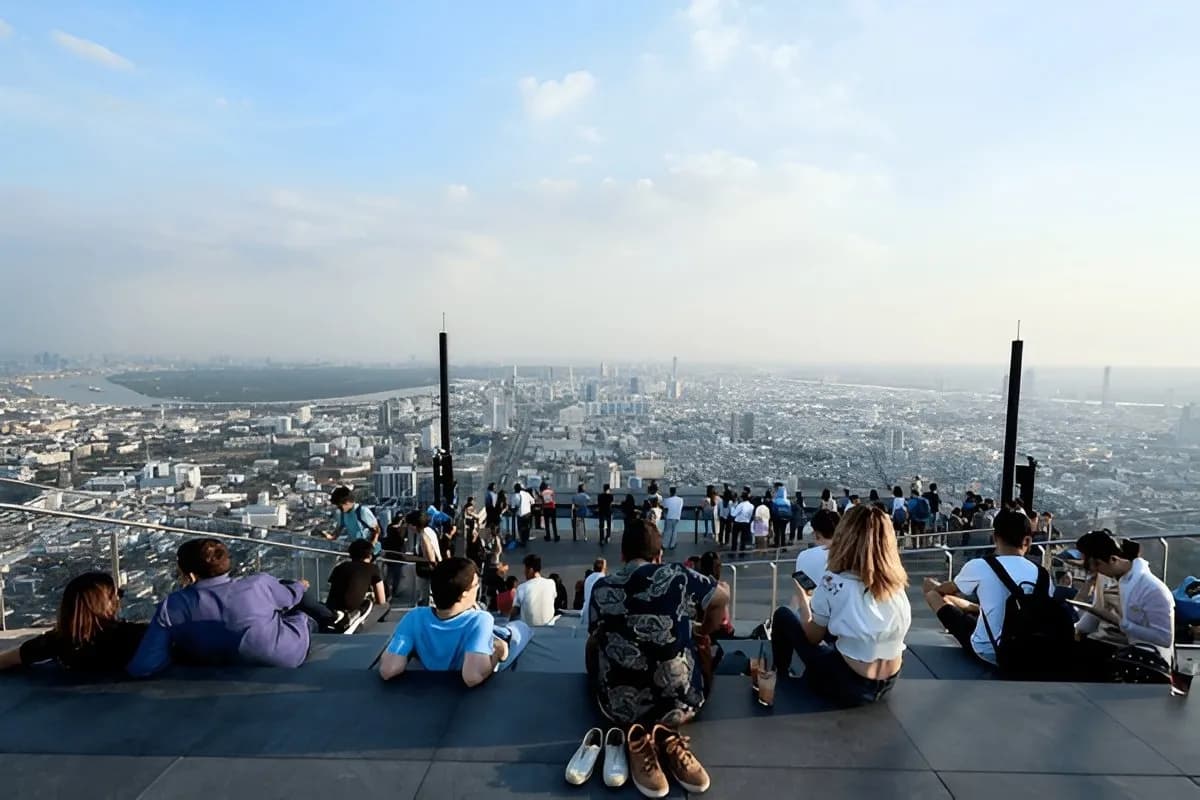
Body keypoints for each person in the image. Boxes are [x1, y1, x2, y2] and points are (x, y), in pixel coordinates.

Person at [586, 521, 729, 796]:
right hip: (682, 704)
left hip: (618, 708)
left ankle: (636, 738)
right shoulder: (679, 575)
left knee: (594, 643)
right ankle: (667, 738)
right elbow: (723, 597)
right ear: (659, 556)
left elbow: (595, 634)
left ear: (623, 556)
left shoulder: (602, 587)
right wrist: (704, 630)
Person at [771, 505, 911, 707]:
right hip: (888, 681)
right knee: (837, 629)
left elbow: (812, 636)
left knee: (783, 615)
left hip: (849, 685)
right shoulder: (896, 584)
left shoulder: (833, 582)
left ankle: (781, 676)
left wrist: (804, 599)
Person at [127, 539, 316, 676]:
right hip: (282, 657)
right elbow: (290, 598)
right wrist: (300, 585)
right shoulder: (258, 584)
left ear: (191, 575)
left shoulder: (173, 605)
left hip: (212, 665)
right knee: (298, 617)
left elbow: (144, 665)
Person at [379, 557, 530, 686]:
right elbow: (472, 676)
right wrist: (498, 653)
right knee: (520, 628)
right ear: (464, 594)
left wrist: (411, 649)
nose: (477, 589)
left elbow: (389, 669)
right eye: (476, 585)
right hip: (496, 639)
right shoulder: (479, 620)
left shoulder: (414, 618)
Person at [922, 510, 1045, 666]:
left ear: (994, 538)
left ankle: (978, 609)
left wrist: (935, 587)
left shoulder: (980, 566)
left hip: (988, 649)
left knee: (932, 592)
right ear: (1027, 541)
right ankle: (978, 609)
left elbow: (946, 590)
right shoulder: (1043, 575)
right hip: (1029, 651)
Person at [1073, 531, 1175, 680]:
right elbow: (1097, 610)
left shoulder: (1152, 589)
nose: (1097, 572)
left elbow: (1165, 638)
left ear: (1113, 559)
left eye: (1098, 566)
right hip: (1119, 649)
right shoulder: (1110, 577)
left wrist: (1125, 625)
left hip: (1145, 658)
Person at [0, 572, 146, 673]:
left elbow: (8, 659)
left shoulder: (57, 642)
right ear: (106, 604)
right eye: (118, 594)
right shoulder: (131, 635)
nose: (119, 599)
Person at [324, 538, 387, 630]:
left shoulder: (340, 567)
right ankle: (355, 622)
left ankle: (341, 619)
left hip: (332, 609)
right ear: (370, 555)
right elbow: (381, 600)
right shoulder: (373, 568)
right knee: (385, 606)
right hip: (352, 609)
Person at [329, 486, 381, 555]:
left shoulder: (362, 511)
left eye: (340, 506)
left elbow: (377, 530)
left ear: (347, 502)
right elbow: (339, 529)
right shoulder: (343, 514)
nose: (339, 509)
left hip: (369, 551)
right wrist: (331, 537)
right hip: (357, 550)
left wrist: (371, 546)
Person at [511, 553, 559, 626]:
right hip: (549, 628)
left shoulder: (522, 588)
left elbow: (514, 612)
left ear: (530, 570)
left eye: (525, 569)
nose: (524, 572)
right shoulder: (551, 583)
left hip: (529, 629)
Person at [794, 508, 839, 581]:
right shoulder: (850, 554)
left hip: (813, 592)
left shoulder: (804, 556)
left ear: (816, 533)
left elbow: (800, 589)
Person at [697, 551, 734, 638]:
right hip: (710, 632)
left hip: (724, 631)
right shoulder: (701, 588)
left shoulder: (723, 586)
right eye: (716, 567)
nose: (718, 570)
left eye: (719, 566)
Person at [411, 510, 443, 606]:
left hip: (427, 573)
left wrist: (414, 559)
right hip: (429, 572)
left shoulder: (424, 536)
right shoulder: (429, 531)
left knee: (425, 600)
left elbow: (430, 558)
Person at [381, 514, 409, 601]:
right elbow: (402, 539)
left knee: (389, 576)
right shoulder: (399, 531)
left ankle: (387, 593)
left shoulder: (389, 529)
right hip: (397, 556)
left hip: (390, 556)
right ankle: (393, 592)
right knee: (396, 576)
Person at [578, 557, 607, 629]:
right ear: (603, 567)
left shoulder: (588, 578)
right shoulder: (604, 579)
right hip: (598, 616)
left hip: (586, 613)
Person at [731, 488, 755, 553]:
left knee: (734, 538)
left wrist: (733, 507)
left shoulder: (740, 505)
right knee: (743, 539)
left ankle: (733, 551)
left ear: (742, 498)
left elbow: (733, 514)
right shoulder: (751, 506)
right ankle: (742, 552)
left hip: (738, 522)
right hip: (746, 523)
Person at [662, 486, 685, 551]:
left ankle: (664, 545)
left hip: (669, 516)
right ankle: (672, 545)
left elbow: (665, 509)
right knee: (674, 531)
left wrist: (664, 516)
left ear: (670, 492)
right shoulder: (680, 500)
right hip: (677, 517)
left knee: (667, 531)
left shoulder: (666, 500)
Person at [770, 483, 791, 549]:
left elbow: (773, 510)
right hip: (785, 518)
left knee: (777, 531)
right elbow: (790, 510)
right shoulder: (787, 501)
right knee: (783, 531)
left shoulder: (775, 501)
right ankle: (783, 545)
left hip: (777, 518)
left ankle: (777, 544)